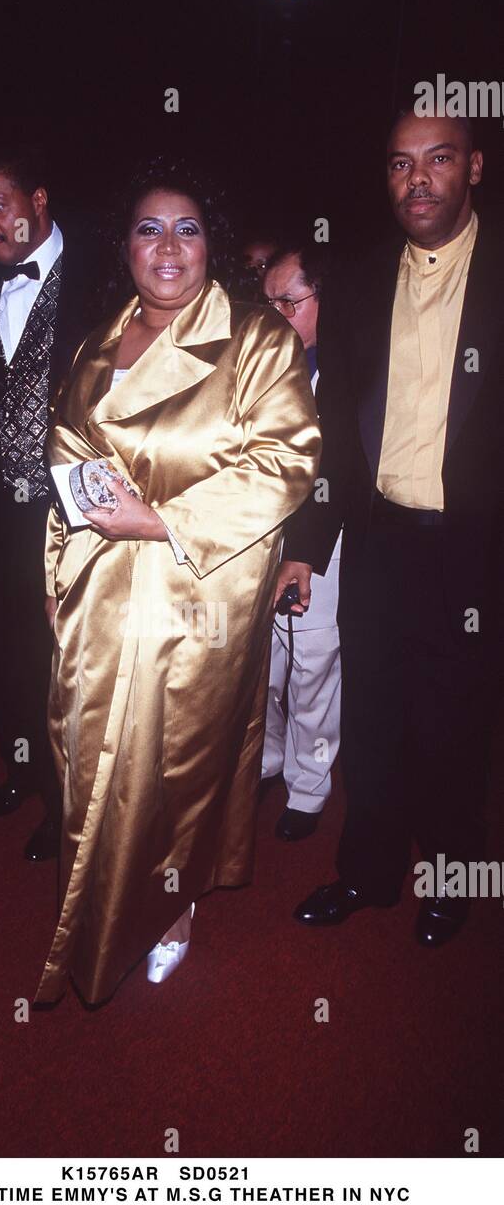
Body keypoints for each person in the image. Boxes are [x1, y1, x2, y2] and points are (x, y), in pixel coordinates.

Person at [34, 162, 320, 1007]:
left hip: (199, 591)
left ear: (210, 246)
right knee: (87, 763)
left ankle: (168, 909)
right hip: (97, 591)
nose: (167, 247)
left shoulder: (256, 339)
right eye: (148, 229)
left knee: (174, 767)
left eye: (186, 229)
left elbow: (288, 464)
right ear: (123, 247)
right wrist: (54, 574)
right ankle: (91, 909)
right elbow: (65, 467)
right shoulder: (94, 345)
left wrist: (157, 522)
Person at [280, 108, 503, 947]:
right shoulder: (366, 279)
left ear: (472, 168)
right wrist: (308, 546)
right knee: (369, 717)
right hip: (376, 541)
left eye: (437, 159)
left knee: (452, 725)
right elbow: (336, 426)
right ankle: (367, 873)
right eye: (400, 164)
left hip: (472, 546)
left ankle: (451, 874)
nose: (418, 178)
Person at [0, 152, 87, 861]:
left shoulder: (98, 280)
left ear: (38, 196)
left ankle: (63, 803)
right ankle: (21, 769)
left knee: (58, 659)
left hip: (67, 511)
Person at [261, 243, 341, 840]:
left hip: (321, 545)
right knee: (257, 666)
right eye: (269, 304)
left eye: (289, 302)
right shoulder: (261, 366)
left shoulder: (346, 371)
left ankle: (309, 789)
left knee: (312, 666)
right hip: (258, 541)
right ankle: (264, 762)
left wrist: (306, 550)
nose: (277, 317)